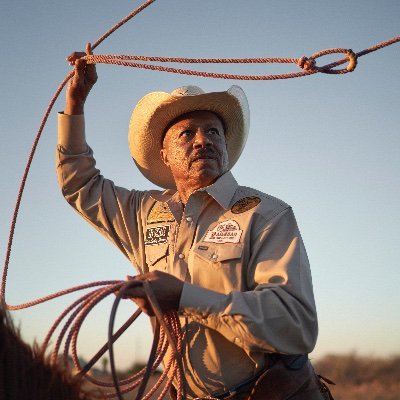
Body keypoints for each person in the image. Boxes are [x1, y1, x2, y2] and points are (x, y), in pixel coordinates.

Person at [57, 44, 332, 400]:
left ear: (226, 147)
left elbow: (295, 324)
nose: (204, 141)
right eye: (187, 134)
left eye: (214, 132)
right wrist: (75, 105)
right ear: (164, 155)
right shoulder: (143, 212)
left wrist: (184, 297)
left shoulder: (265, 213)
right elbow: (80, 183)